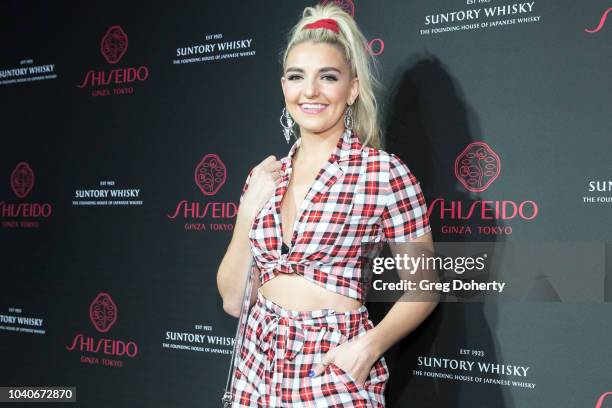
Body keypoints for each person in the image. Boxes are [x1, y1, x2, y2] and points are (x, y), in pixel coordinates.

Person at [216, 4, 438, 407]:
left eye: (328, 77)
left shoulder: (383, 174)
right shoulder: (264, 177)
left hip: (330, 370)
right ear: (284, 87)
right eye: (297, 77)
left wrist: (368, 348)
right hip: (256, 368)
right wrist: (248, 211)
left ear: (352, 88)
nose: (311, 91)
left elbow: (425, 286)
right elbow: (233, 301)